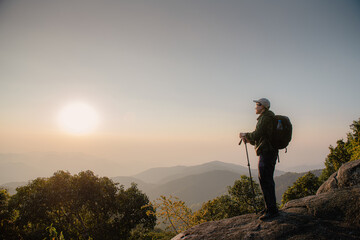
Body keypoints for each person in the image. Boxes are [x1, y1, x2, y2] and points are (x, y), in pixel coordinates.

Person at [240, 98, 279, 220]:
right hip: (269, 151)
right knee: (266, 179)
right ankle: (269, 207)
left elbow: (257, 134)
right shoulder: (267, 117)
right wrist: (250, 138)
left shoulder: (265, 118)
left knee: (265, 180)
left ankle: (272, 210)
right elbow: (261, 137)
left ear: (263, 106)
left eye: (257, 105)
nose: (255, 107)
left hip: (267, 152)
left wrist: (245, 135)